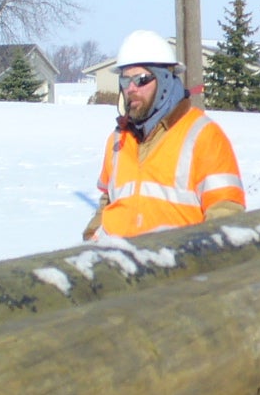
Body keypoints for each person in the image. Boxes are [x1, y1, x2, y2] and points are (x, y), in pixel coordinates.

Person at [83, 29, 246, 240]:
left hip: (174, 264)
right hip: (116, 264)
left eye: (141, 79)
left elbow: (226, 217)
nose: (131, 88)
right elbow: (108, 201)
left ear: (164, 80)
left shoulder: (203, 136)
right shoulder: (118, 139)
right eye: (125, 80)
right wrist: (91, 238)